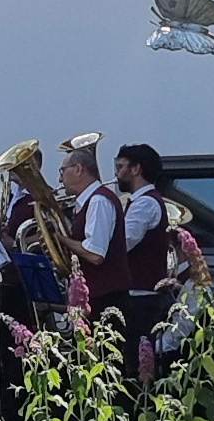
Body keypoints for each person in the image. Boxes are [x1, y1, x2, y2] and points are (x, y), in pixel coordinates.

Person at [53, 146, 137, 380]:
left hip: (106, 298)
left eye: (63, 170)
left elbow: (95, 254)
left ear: (79, 169)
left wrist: (59, 238)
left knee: (106, 372)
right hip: (100, 297)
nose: (60, 177)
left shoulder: (99, 201)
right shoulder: (89, 201)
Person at [115, 143, 172, 359]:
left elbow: (122, 243)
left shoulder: (144, 204)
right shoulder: (139, 202)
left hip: (142, 297)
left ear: (136, 169)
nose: (117, 173)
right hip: (139, 296)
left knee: (135, 360)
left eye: (121, 167)